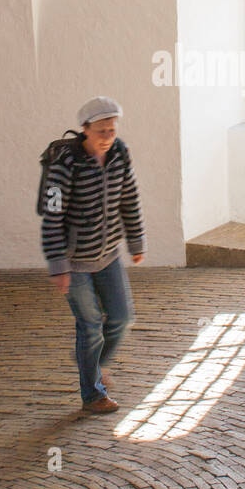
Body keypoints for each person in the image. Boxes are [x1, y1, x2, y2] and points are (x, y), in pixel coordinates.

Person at [41, 97, 146, 413]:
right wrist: (59, 266)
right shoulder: (64, 164)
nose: (106, 137)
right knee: (89, 326)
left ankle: (94, 363)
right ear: (84, 129)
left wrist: (136, 242)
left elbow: (129, 198)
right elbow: (53, 215)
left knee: (121, 317)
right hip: (75, 263)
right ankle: (93, 394)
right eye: (101, 130)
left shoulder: (119, 154)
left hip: (109, 254)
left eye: (111, 130)